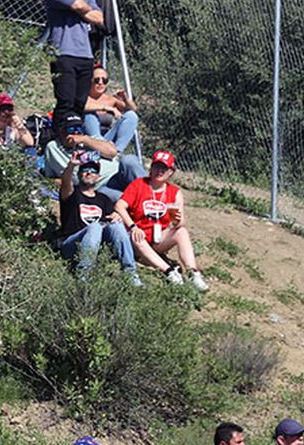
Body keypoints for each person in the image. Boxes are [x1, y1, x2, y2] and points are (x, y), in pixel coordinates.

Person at [113, 150, 209, 291]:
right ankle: (169, 271)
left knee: (182, 232)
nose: (159, 171)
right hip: (138, 238)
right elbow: (119, 206)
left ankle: (193, 272)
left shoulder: (174, 192)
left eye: (164, 168)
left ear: (171, 172)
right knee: (137, 237)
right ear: (151, 168)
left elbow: (178, 222)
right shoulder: (139, 185)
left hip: (158, 239)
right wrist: (133, 226)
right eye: (157, 166)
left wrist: (177, 222)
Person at [56, 149, 137, 282]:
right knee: (94, 227)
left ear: (98, 177)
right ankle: (84, 275)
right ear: (80, 174)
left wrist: (118, 217)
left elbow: (113, 224)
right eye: (85, 169)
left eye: (93, 171)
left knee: (116, 225)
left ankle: (130, 274)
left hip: (96, 248)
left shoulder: (104, 199)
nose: (89, 172)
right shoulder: (71, 194)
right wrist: (71, 165)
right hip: (71, 245)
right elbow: (65, 181)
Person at [45, 0, 104, 125]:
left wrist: (79, 8)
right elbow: (79, 6)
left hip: (85, 55)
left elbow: (99, 18)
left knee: (79, 103)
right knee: (66, 101)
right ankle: (57, 137)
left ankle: (74, 137)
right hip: (63, 53)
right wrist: (84, 11)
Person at [83, 64, 139, 153]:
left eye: (104, 80)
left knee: (131, 116)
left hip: (107, 140)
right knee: (90, 115)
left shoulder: (110, 100)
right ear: (90, 81)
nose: (100, 83)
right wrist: (107, 108)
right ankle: (100, 147)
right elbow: (83, 107)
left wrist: (126, 98)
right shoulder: (83, 98)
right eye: (97, 80)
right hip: (90, 142)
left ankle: (116, 151)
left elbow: (133, 109)